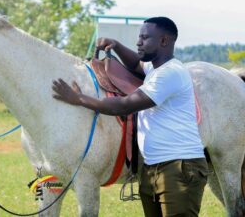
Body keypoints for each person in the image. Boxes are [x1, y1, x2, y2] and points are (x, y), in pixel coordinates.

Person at [52, 17, 209, 217]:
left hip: (178, 168)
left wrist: (78, 98)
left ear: (163, 41)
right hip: (154, 167)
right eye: (139, 37)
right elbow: (136, 64)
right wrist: (116, 46)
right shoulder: (155, 68)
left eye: (145, 37)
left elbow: (124, 105)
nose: (138, 42)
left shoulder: (170, 74)